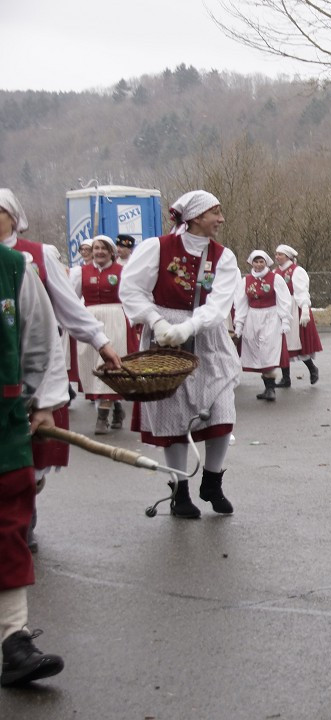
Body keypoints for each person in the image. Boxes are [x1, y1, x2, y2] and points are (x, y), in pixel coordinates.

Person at [1, 188, 122, 553]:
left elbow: (68, 307)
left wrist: (101, 341)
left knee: (33, 451)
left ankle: (25, 518)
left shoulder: (34, 257)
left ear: (12, 216)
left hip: (33, 362)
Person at [119, 190, 242, 519]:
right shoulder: (156, 249)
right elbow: (130, 289)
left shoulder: (223, 257)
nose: (221, 218)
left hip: (207, 337)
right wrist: (157, 321)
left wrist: (189, 328)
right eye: (215, 212)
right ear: (197, 217)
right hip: (164, 336)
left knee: (221, 407)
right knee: (172, 415)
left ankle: (212, 482)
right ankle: (179, 491)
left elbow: (218, 304)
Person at [0, 243, 65, 688]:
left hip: (4, 420)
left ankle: (14, 640)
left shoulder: (14, 268)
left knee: (8, 527)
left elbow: (39, 338)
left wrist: (39, 401)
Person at [69, 235, 132, 434]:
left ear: (112, 251)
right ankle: (117, 407)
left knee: (111, 366)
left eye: (104, 248)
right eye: (96, 248)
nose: (99, 252)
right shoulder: (80, 272)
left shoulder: (123, 272)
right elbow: (71, 298)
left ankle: (102, 416)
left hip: (115, 319)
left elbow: (131, 298)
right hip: (91, 319)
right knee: (91, 367)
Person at [234, 250, 292, 402]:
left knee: (269, 350)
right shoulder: (246, 280)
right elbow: (241, 304)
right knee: (257, 350)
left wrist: (285, 320)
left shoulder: (275, 278)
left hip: (271, 316)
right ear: (251, 263)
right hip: (253, 317)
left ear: (266, 263)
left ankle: (271, 388)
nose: (259, 265)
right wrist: (239, 325)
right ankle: (267, 387)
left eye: (261, 262)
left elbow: (284, 300)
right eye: (256, 262)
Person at [273, 244, 321, 387]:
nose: (277, 257)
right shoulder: (275, 272)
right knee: (282, 344)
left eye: (280, 254)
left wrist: (304, 309)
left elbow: (301, 291)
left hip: (294, 307)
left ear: (287, 256)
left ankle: (312, 369)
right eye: (276, 254)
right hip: (280, 308)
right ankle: (285, 378)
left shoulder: (297, 271)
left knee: (296, 342)